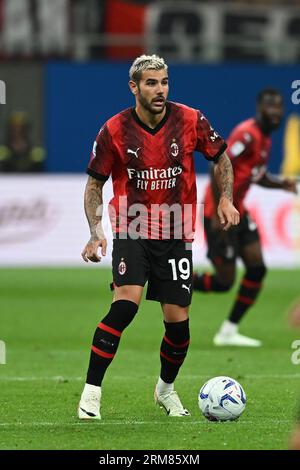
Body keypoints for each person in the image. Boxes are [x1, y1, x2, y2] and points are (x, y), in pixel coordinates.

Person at [78, 54, 239, 420]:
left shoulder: (190, 119)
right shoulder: (114, 130)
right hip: (133, 228)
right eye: (151, 83)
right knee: (125, 306)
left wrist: (227, 198)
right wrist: (95, 231)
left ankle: (165, 389)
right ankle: (91, 394)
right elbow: (94, 184)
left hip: (177, 232)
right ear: (134, 87)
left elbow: (222, 158)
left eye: (164, 82)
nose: (160, 89)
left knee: (178, 327)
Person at [193, 88, 297, 347]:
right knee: (224, 282)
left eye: (279, 108)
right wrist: (220, 207)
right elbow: (217, 163)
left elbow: (256, 176)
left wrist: (280, 184)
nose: (275, 113)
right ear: (260, 108)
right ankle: (171, 279)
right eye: (270, 107)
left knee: (257, 267)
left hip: (239, 212)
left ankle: (228, 331)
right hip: (217, 212)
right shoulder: (247, 134)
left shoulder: (266, 139)